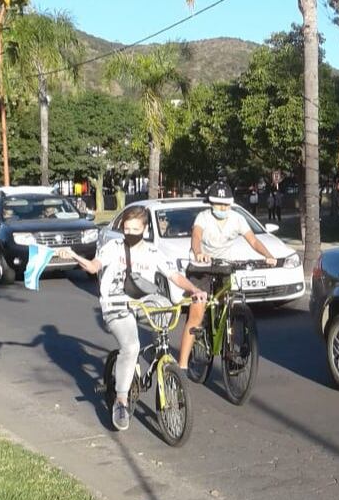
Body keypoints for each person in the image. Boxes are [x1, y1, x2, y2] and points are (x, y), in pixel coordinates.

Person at [57, 205, 206, 432]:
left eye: (136, 228)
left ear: (145, 229)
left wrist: (194, 290)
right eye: (127, 228)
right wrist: (74, 255)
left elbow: (174, 276)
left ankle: (160, 358)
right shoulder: (113, 247)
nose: (131, 232)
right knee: (131, 345)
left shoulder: (153, 251)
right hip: (116, 304)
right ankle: (121, 400)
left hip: (142, 302)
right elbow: (93, 267)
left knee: (166, 309)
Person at [178, 181, 277, 372]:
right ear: (211, 204)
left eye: (226, 204)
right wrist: (198, 253)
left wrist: (268, 256)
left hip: (224, 267)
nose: (223, 208)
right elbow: (196, 237)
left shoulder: (237, 219)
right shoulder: (203, 218)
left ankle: (230, 349)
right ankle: (181, 365)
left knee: (228, 308)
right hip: (202, 268)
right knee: (197, 313)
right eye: (218, 204)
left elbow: (253, 240)